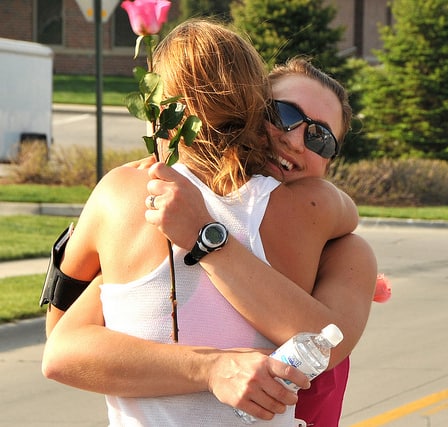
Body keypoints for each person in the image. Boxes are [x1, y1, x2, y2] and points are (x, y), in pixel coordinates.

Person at [42, 20, 376, 426]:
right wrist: (210, 368)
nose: (294, 140)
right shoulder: (140, 196)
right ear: (251, 105)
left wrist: (204, 236)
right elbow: (62, 351)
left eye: (320, 137)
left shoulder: (334, 237)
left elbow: (326, 344)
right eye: (283, 114)